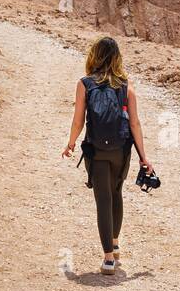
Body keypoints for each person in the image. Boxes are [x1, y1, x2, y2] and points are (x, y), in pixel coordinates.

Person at [62, 36, 154, 273]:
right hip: (121, 150)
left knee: (103, 200)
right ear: (116, 59)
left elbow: (78, 120)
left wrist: (71, 144)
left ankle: (108, 259)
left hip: (97, 150)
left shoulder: (84, 84)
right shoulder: (126, 86)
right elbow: (135, 124)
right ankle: (114, 244)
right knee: (116, 193)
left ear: (94, 56)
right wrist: (144, 157)